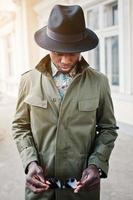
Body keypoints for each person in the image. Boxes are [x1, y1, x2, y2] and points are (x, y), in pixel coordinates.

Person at [12, 4, 118, 200]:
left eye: (73, 51)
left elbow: (108, 128)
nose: (66, 60)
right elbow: (20, 126)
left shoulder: (99, 82)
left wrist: (96, 164)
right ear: (47, 45)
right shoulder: (28, 81)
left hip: (81, 189)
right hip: (40, 191)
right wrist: (30, 162)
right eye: (58, 51)